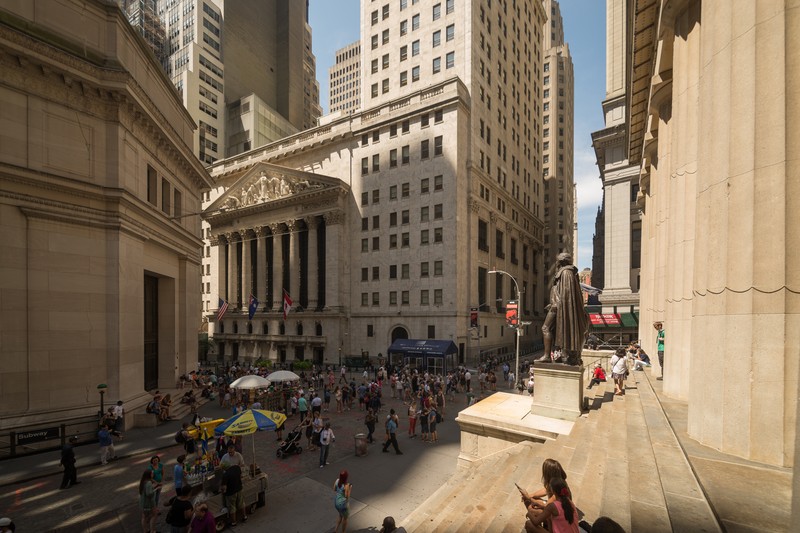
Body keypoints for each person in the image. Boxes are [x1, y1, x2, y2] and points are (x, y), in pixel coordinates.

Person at [539, 253, 589, 365]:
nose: (556, 263)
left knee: (545, 328)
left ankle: (547, 356)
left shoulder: (566, 272)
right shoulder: (567, 272)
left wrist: (556, 306)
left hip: (558, 307)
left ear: (561, 261)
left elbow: (566, 295)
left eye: (557, 260)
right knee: (552, 330)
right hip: (558, 306)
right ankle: (562, 354)